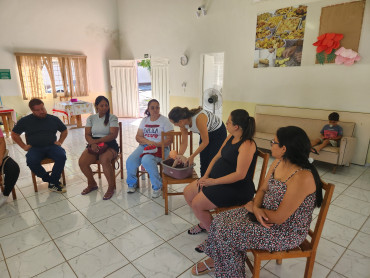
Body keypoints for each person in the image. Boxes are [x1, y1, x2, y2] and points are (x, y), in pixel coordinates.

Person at [191, 126, 323, 277]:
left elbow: (279, 218)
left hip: (283, 231)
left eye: (274, 142)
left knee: (226, 232)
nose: (271, 144)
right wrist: (256, 206)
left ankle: (231, 272)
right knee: (219, 220)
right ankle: (219, 259)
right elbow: (262, 190)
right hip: (262, 213)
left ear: (284, 148)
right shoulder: (278, 162)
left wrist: (254, 208)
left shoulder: (302, 177)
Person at [184, 109, 257, 253]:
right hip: (217, 180)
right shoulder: (230, 136)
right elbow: (217, 156)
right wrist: (205, 176)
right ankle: (206, 224)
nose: (226, 123)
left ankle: (215, 238)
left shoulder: (247, 144)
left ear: (236, 126)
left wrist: (214, 182)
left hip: (236, 188)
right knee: (188, 192)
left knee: (198, 204)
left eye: (229, 122)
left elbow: (240, 175)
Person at [11, 98, 68, 193]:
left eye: (43, 108)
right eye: (38, 110)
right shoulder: (25, 120)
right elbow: (14, 134)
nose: (42, 111)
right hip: (35, 148)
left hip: (52, 146)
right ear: (32, 111)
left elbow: (64, 130)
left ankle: (53, 182)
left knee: (61, 156)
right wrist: (24, 146)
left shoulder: (53, 119)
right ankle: (51, 181)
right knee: (31, 161)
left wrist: (60, 141)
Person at [126, 99, 173, 198]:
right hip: (144, 146)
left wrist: (156, 144)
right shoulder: (145, 120)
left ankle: (157, 186)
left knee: (146, 160)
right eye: (152, 107)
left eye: (157, 107)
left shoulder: (165, 121)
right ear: (148, 109)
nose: (155, 110)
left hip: (161, 148)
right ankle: (132, 184)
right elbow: (138, 137)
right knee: (130, 161)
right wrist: (148, 142)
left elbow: (169, 140)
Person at [79, 96, 120, 200]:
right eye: (101, 105)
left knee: (104, 159)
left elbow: (113, 135)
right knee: (82, 162)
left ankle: (111, 187)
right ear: (96, 106)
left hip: (109, 144)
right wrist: (92, 143)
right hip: (94, 144)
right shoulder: (91, 118)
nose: (104, 107)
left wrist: (95, 142)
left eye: (106, 105)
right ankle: (92, 183)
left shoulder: (112, 117)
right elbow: (87, 134)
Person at [168, 106, 227, 176]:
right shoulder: (183, 125)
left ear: (180, 121)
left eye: (174, 123)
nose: (175, 125)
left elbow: (205, 141)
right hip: (206, 132)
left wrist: (192, 156)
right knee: (203, 159)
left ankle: (212, 183)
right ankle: (202, 183)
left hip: (218, 132)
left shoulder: (199, 119)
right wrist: (179, 156)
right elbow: (184, 142)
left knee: (212, 161)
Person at [0, 128, 20, 207]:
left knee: (13, 168)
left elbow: (1, 142)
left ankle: (5, 194)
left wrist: (0, 158)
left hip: (1, 157)